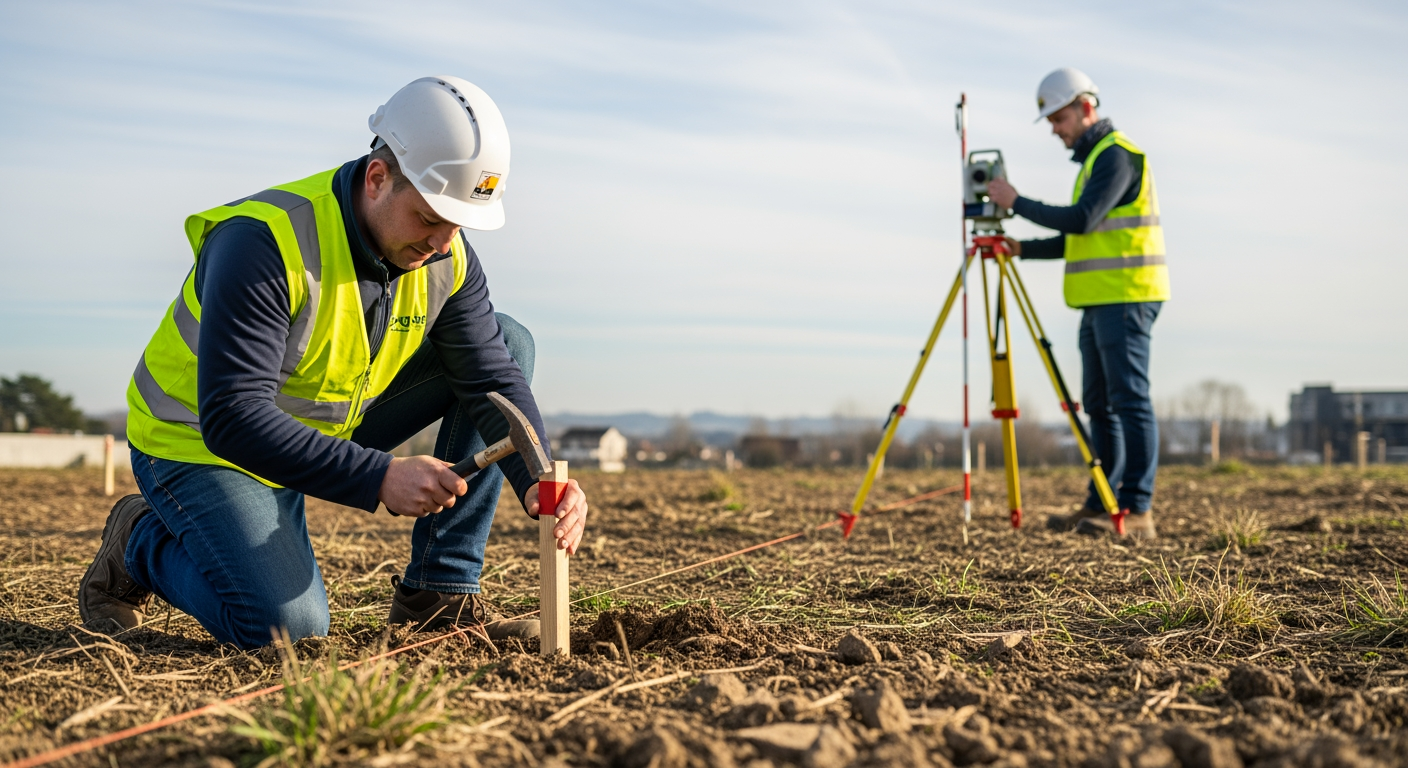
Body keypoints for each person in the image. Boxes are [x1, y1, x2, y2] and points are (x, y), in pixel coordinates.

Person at [78, 76, 590, 648]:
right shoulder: (264, 242)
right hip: (199, 441)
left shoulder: (447, 256)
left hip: (322, 425)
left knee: (510, 341)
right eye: (428, 218)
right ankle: (138, 542)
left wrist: (539, 480)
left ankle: (439, 596)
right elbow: (233, 417)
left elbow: (492, 376)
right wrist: (378, 476)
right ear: (378, 179)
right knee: (287, 630)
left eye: (458, 225)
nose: (445, 243)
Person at [986, 68, 1169, 539]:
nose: (1054, 129)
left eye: (1059, 117)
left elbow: (1083, 220)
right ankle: (1101, 504)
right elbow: (1083, 240)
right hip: (1099, 301)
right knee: (1100, 406)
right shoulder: (1093, 164)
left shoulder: (1117, 158)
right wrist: (1023, 248)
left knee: (1129, 402)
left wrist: (1016, 200)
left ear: (1087, 107)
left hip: (1126, 297)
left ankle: (1136, 510)